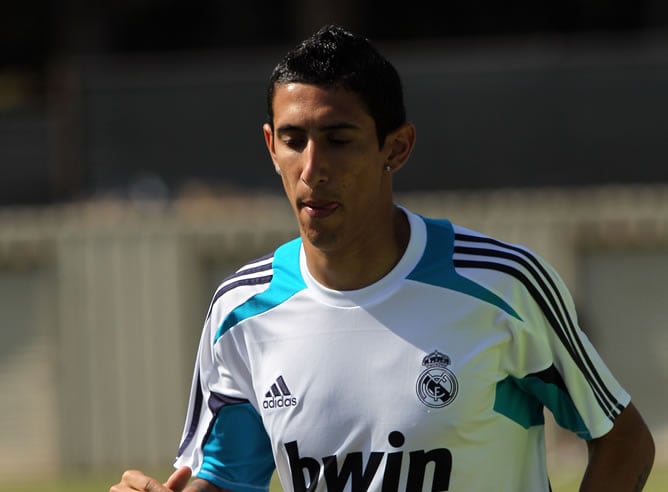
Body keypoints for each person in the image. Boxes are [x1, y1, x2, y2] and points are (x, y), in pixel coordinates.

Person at [111, 25, 655, 492]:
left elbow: (622, 440)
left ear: (396, 148)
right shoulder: (242, 313)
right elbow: (227, 477)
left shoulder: (501, 284)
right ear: (270, 146)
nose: (312, 167)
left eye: (338, 139)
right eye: (294, 140)